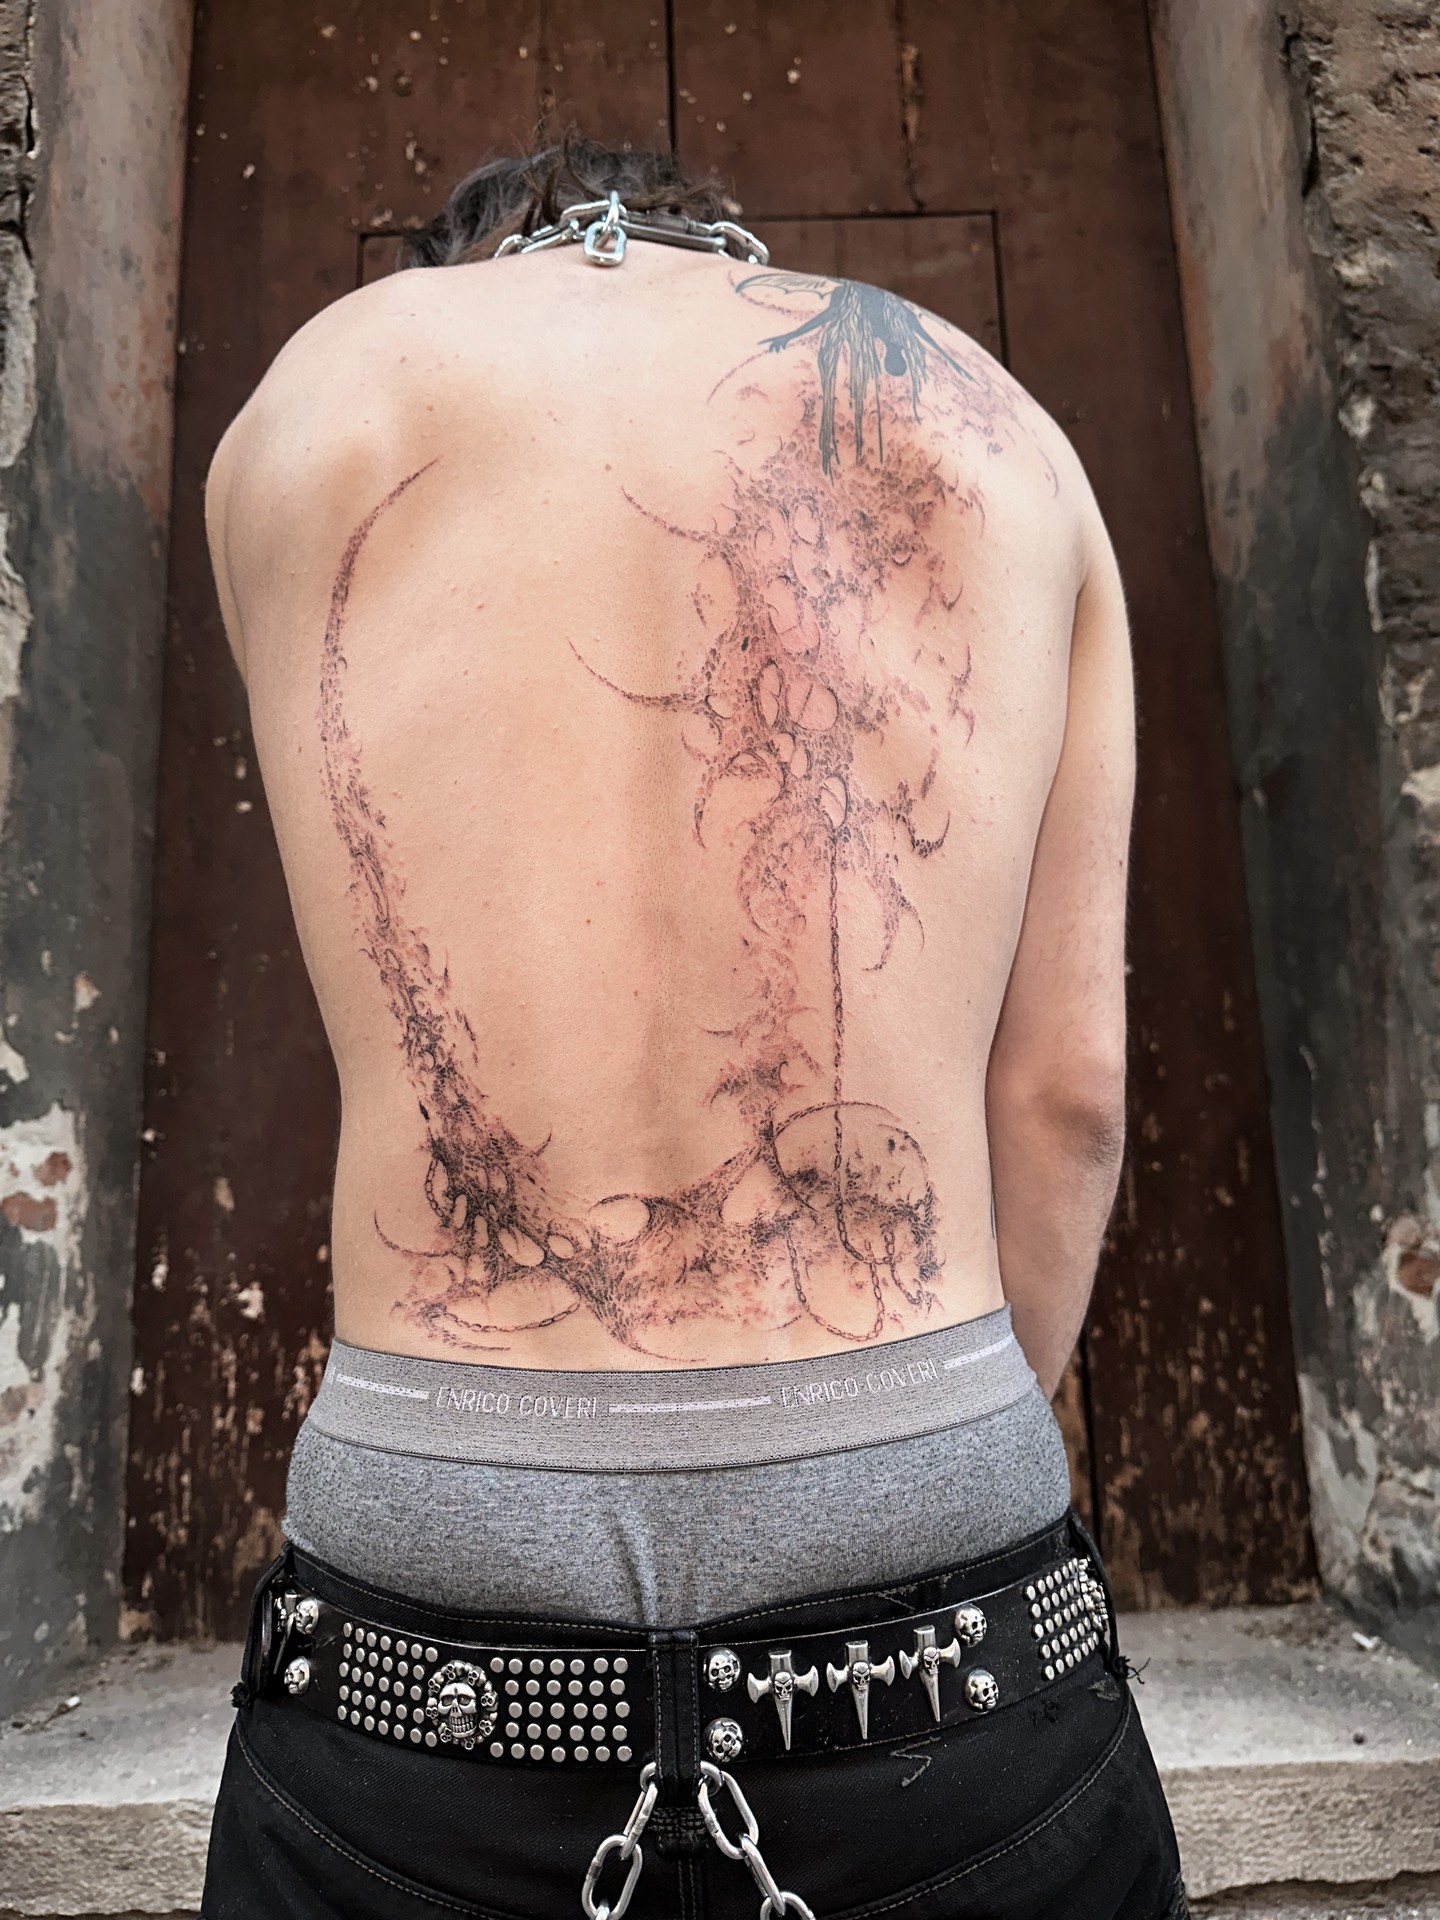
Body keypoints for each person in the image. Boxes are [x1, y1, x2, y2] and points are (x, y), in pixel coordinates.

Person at [198, 135, 1186, 1920]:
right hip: (942, 1633)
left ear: (472, 257)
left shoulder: (321, 399)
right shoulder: (998, 429)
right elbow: (1071, 1095)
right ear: (724, 240)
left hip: (426, 1629)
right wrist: (900, 1467)